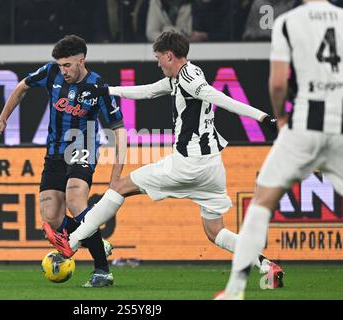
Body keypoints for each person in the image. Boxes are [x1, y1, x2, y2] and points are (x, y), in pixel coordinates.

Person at [43, 31, 285, 286]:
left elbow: (220, 98)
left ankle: (71, 243)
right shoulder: (183, 76)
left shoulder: (190, 81)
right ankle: (267, 266)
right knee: (215, 232)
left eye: (159, 58)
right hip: (212, 168)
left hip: (187, 164)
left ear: (169, 55)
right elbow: (147, 91)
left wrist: (264, 118)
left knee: (119, 187)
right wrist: (106, 90)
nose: (158, 63)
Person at [217, 0, 343, 299]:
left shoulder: (289, 21)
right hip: (339, 127)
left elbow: (277, 84)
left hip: (304, 125)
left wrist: (282, 118)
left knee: (261, 202)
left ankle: (234, 291)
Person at [0, 35, 126, 288]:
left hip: (82, 147)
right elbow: (22, 87)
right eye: (60, 65)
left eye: (68, 65)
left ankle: (102, 271)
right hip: (54, 152)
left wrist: (117, 173)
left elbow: (119, 129)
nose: (63, 70)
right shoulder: (51, 73)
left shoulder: (98, 87)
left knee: (74, 198)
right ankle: (94, 240)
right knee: (51, 216)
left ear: (81, 61)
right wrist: (2, 119)